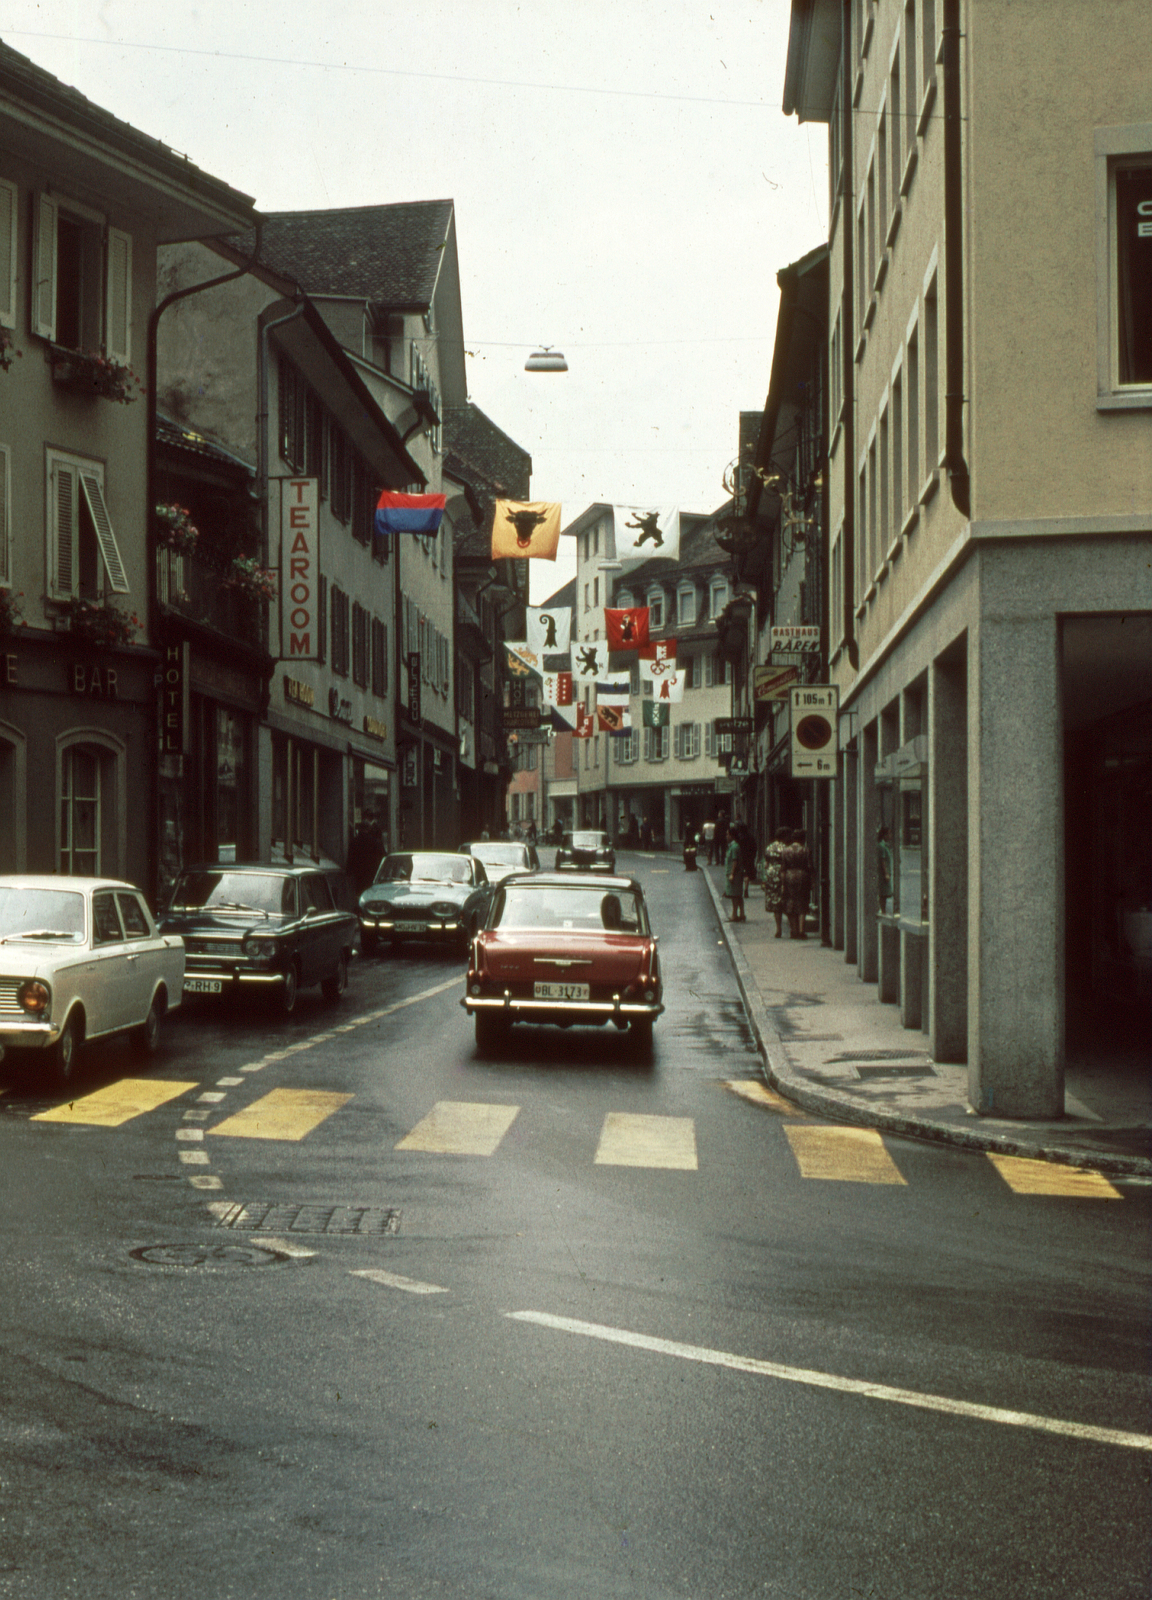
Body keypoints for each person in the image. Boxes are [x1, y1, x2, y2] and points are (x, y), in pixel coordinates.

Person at [782, 827, 812, 939]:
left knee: (790, 902)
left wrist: (783, 883)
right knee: (802, 902)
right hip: (802, 876)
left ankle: (793, 930)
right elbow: (809, 866)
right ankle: (801, 930)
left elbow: (783, 868)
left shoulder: (786, 850)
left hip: (789, 876)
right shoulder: (805, 850)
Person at [762, 825, 789, 937]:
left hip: (771, 875)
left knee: (775, 902)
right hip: (783, 874)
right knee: (786, 900)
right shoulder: (786, 848)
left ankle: (778, 928)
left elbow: (766, 864)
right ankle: (793, 927)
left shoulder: (769, 848)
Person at [724, 825, 747, 922]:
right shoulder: (733, 846)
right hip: (735, 873)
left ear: (732, 836)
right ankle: (742, 914)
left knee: (734, 896)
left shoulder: (734, 847)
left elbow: (735, 861)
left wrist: (732, 874)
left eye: (727, 834)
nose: (726, 836)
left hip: (735, 874)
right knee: (738, 895)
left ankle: (734, 915)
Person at [877, 825, 893, 912]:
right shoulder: (881, 846)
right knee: (883, 894)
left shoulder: (884, 846)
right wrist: (886, 873)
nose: (890, 836)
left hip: (885, 873)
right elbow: (882, 861)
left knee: (885, 894)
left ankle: (883, 910)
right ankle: (883, 910)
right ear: (885, 835)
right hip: (883, 874)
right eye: (889, 834)